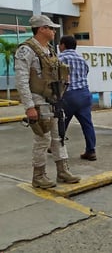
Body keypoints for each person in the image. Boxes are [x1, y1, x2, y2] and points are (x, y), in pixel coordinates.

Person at [14, 15, 81, 188]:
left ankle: (63, 171)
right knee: (42, 138)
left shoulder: (49, 49)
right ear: (41, 29)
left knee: (58, 136)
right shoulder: (26, 50)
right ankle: (39, 175)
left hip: (54, 98)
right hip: (38, 98)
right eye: (50, 28)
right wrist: (29, 106)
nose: (53, 31)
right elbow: (21, 80)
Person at [58, 35, 97, 161]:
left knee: (61, 122)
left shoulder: (59, 58)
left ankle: (56, 147)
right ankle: (91, 151)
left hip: (68, 95)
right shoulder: (82, 59)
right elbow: (86, 73)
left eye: (60, 44)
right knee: (87, 124)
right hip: (84, 94)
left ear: (63, 45)